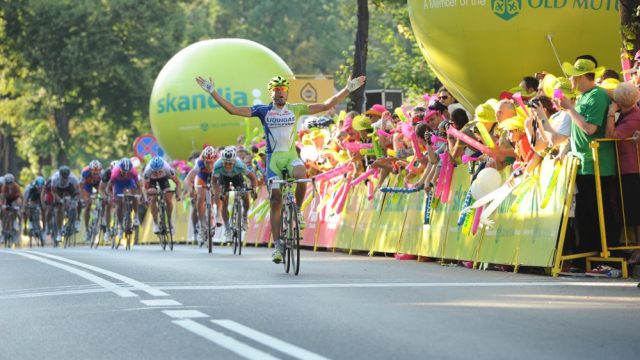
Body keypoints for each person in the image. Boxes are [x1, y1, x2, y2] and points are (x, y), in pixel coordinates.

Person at [196, 73, 366, 263]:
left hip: (290, 156)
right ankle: (277, 245)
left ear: (287, 93)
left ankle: (298, 211)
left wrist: (348, 89)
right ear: (272, 93)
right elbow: (233, 110)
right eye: (276, 91)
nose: (280, 94)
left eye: (283, 90)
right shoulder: (263, 110)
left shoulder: (295, 109)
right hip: (274, 160)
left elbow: (326, 105)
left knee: (302, 176)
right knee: (276, 199)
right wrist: (212, 92)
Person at [554, 56, 617, 268]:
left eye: (572, 75)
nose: (569, 79)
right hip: (583, 163)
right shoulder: (584, 97)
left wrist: (570, 109)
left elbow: (590, 129)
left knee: (596, 212)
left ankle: (600, 256)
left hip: (597, 164)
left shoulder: (596, 96)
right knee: (584, 212)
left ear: (580, 77)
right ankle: (587, 257)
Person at [606, 82, 640, 264]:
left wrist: (611, 112)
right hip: (627, 168)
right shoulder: (629, 114)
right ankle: (636, 248)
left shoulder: (634, 117)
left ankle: (638, 250)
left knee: (636, 212)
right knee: (632, 211)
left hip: (633, 168)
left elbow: (612, 134)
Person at [213, 146, 258, 242]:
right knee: (224, 199)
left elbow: (253, 178)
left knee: (245, 195)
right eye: (226, 163)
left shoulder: (239, 165)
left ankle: (245, 216)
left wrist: (254, 190)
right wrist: (218, 192)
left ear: (234, 162)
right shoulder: (218, 165)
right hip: (223, 178)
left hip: (237, 176)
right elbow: (214, 182)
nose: (228, 166)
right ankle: (228, 229)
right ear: (222, 162)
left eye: (230, 164)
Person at [183, 146, 219, 245]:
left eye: (211, 162)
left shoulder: (219, 163)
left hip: (214, 176)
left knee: (217, 191)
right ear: (203, 160)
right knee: (200, 195)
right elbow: (187, 179)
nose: (209, 165)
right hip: (202, 177)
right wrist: (190, 190)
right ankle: (202, 223)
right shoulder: (199, 164)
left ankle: (215, 213)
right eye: (207, 162)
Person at [142, 156, 182, 234]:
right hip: (152, 180)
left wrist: (178, 194)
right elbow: (145, 188)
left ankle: (169, 222)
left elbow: (178, 183)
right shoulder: (147, 171)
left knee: (168, 198)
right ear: (151, 169)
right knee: (153, 198)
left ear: (162, 168)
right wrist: (146, 199)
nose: (157, 173)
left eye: (159, 171)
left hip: (164, 178)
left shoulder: (168, 169)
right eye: (155, 172)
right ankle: (155, 223)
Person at [106, 158, 141, 237]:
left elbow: (139, 186)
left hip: (129, 181)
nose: (125, 174)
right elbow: (108, 188)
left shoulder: (133, 172)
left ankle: (136, 216)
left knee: (134, 196)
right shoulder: (115, 173)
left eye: (127, 172)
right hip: (118, 183)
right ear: (120, 169)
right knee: (119, 202)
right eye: (124, 172)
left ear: (130, 170)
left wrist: (139, 195)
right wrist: (112, 196)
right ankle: (121, 225)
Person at [50, 166, 81, 244]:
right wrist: (60, 200)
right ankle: (59, 232)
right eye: (63, 177)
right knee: (59, 209)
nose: (64, 179)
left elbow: (78, 191)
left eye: (66, 177)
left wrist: (75, 200)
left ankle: (75, 221)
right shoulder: (55, 179)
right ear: (60, 175)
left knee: (76, 203)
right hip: (58, 190)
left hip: (70, 188)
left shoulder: (73, 179)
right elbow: (53, 192)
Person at [80, 160, 103, 241]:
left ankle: (98, 216)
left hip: (98, 185)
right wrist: (84, 198)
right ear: (90, 170)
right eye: (93, 173)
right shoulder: (85, 172)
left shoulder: (102, 175)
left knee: (101, 198)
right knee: (88, 204)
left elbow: (102, 188)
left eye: (97, 173)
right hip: (87, 185)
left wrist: (100, 195)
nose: (95, 174)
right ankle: (86, 229)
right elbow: (81, 187)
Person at [100, 160, 118, 241]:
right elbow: (102, 188)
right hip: (107, 188)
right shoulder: (106, 173)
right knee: (107, 204)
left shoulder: (121, 172)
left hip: (117, 187)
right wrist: (105, 196)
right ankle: (107, 229)